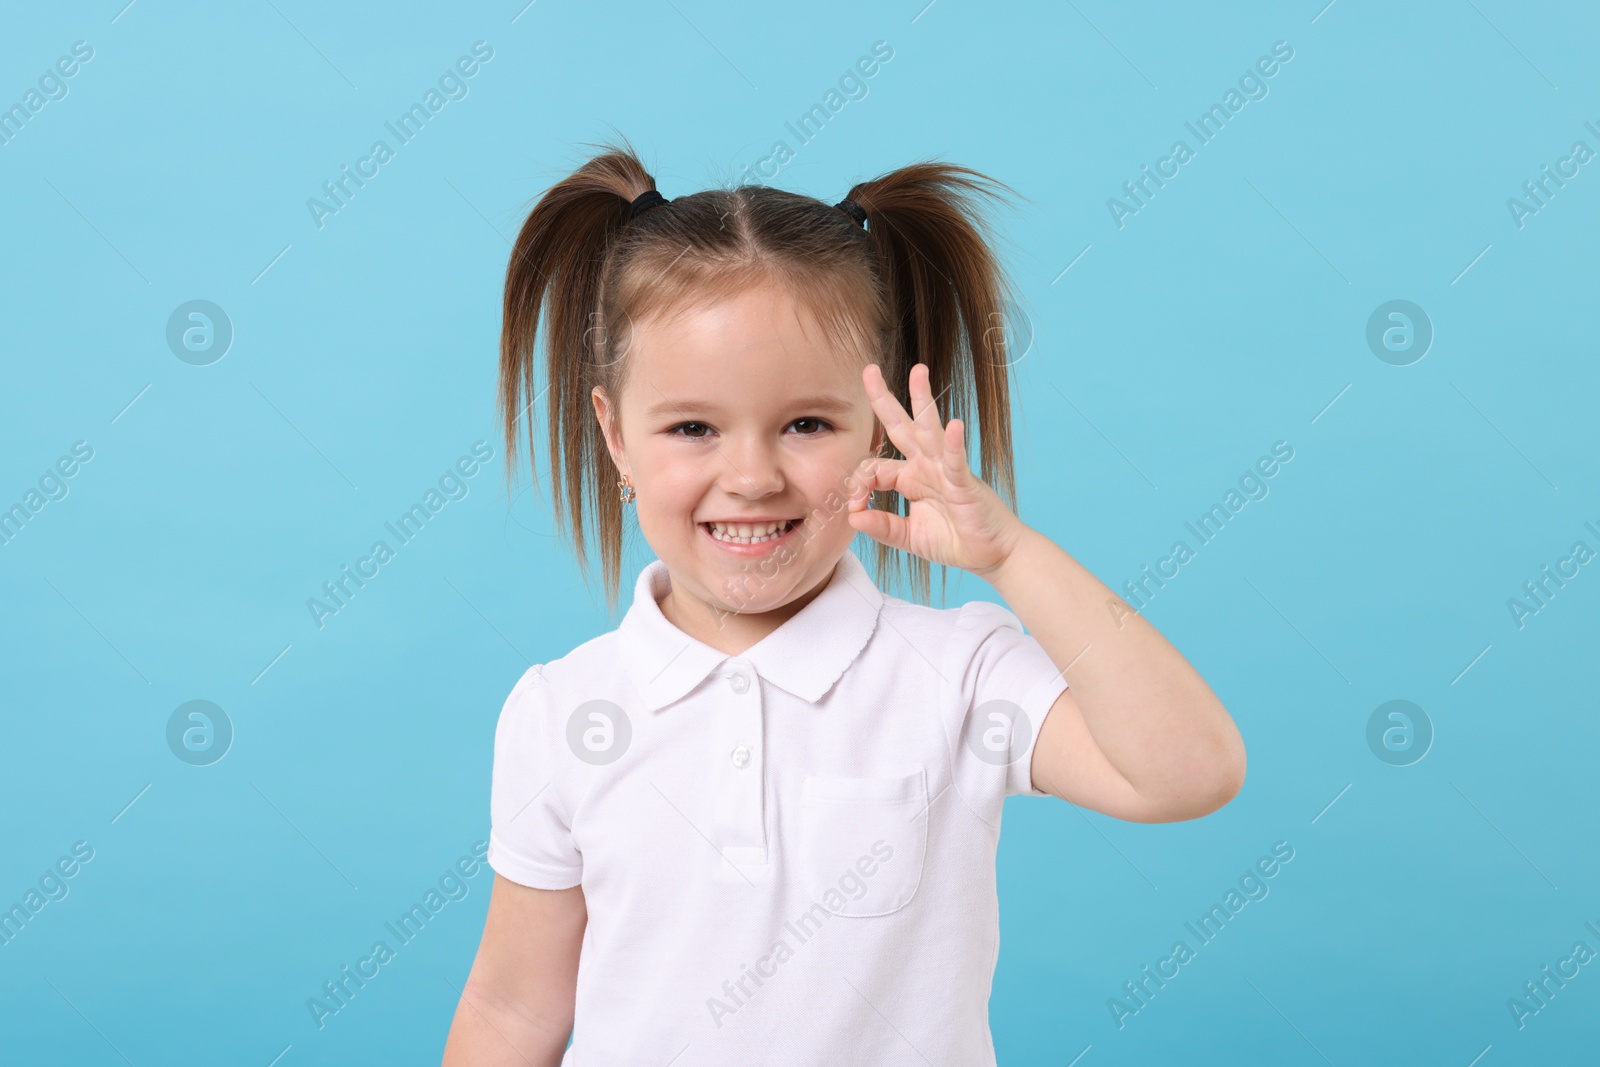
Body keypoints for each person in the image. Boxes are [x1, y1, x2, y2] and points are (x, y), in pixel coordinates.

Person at [441, 138, 1246, 1065]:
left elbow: (1189, 770)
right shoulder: (562, 711)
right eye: (693, 426)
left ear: (879, 428)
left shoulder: (959, 675)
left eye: (807, 424)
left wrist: (1012, 555)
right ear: (616, 436)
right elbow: (511, 1012)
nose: (751, 476)